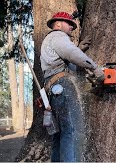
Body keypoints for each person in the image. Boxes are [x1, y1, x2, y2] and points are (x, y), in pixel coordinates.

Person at [40, 11, 104, 162]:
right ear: (58, 24)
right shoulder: (57, 36)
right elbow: (70, 52)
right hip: (62, 86)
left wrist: (78, 49)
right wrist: (94, 67)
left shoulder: (51, 41)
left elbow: (67, 58)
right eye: (69, 24)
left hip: (54, 89)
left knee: (59, 133)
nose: (71, 28)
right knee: (72, 130)